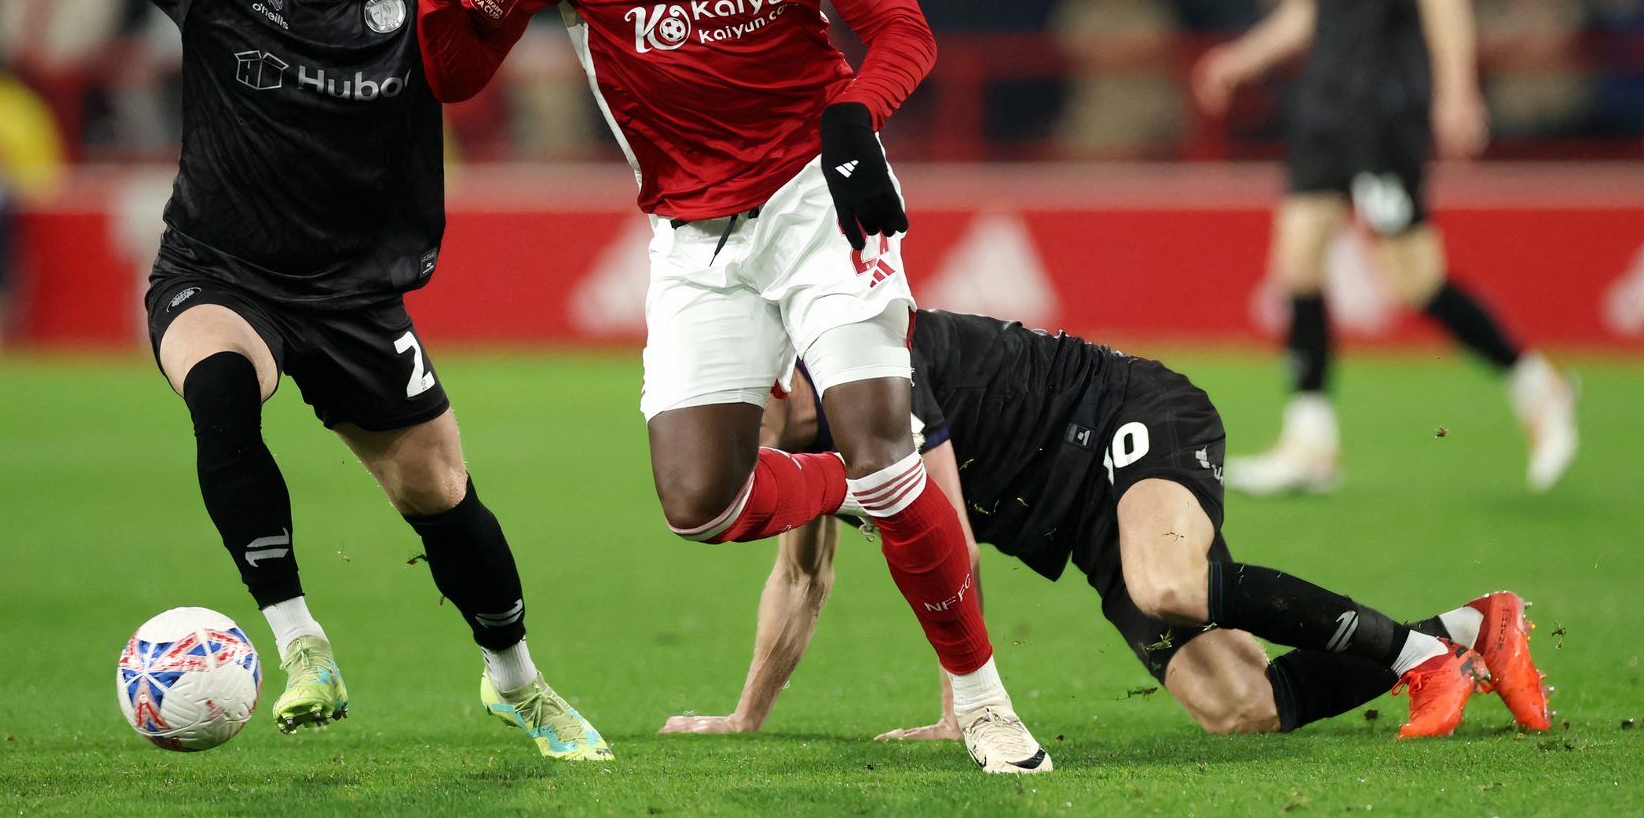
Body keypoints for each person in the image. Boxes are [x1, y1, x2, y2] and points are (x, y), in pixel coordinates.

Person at [0, 0, 610, 761]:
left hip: (356, 294)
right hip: (220, 269)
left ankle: (516, 682)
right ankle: (302, 646)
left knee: (440, 492)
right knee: (221, 391)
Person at [416, 0, 1039, 775]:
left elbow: (903, 31)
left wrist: (852, 119)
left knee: (884, 433)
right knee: (698, 505)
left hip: (813, 200)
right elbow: (456, 76)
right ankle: (867, 487)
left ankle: (984, 705)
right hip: (689, 236)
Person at [660, 309, 1554, 742]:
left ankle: (1418, 661)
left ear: (772, 384)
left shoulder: (873, 369)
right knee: (1237, 705)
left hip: (1123, 411)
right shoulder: (798, 447)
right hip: (1076, 511)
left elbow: (949, 545)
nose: (715, 433)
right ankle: (1475, 630)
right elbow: (802, 580)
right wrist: (746, 719)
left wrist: (964, 712)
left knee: (1162, 582)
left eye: (724, 406)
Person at [1191, 0, 1577, 496]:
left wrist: (1457, 90)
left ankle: (1536, 383)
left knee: (1414, 279)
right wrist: (1247, 54)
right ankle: (1311, 440)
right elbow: (1316, 1)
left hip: (1384, 105)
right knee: (1297, 259)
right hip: (1326, 102)